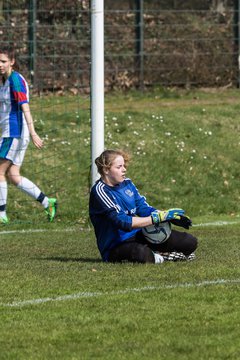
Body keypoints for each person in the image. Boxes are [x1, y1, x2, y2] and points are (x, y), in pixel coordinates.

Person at [89, 149, 198, 264]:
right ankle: (160, 256)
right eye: (119, 167)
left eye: (124, 166)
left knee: (189, 242)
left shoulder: (127, 183)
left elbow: (143, 208)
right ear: (106, 170)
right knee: (141, 253)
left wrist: (166, 216)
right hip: (115, 245)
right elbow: (122, 221)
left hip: (138, 235)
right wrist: (156, 218)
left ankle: (156, 253)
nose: (124, 169)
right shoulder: (100, 191)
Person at [0, 46, 57, 224]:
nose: (0, 64)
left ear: (12, 62)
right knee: (13, 175)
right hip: (11, 132)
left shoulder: (15, 81)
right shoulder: (4, 80)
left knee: (0, 172)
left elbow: (25, 107)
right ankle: (47, 202)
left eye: (3, 61)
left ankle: (1, 214)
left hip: (15, 133)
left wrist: (33, 132)